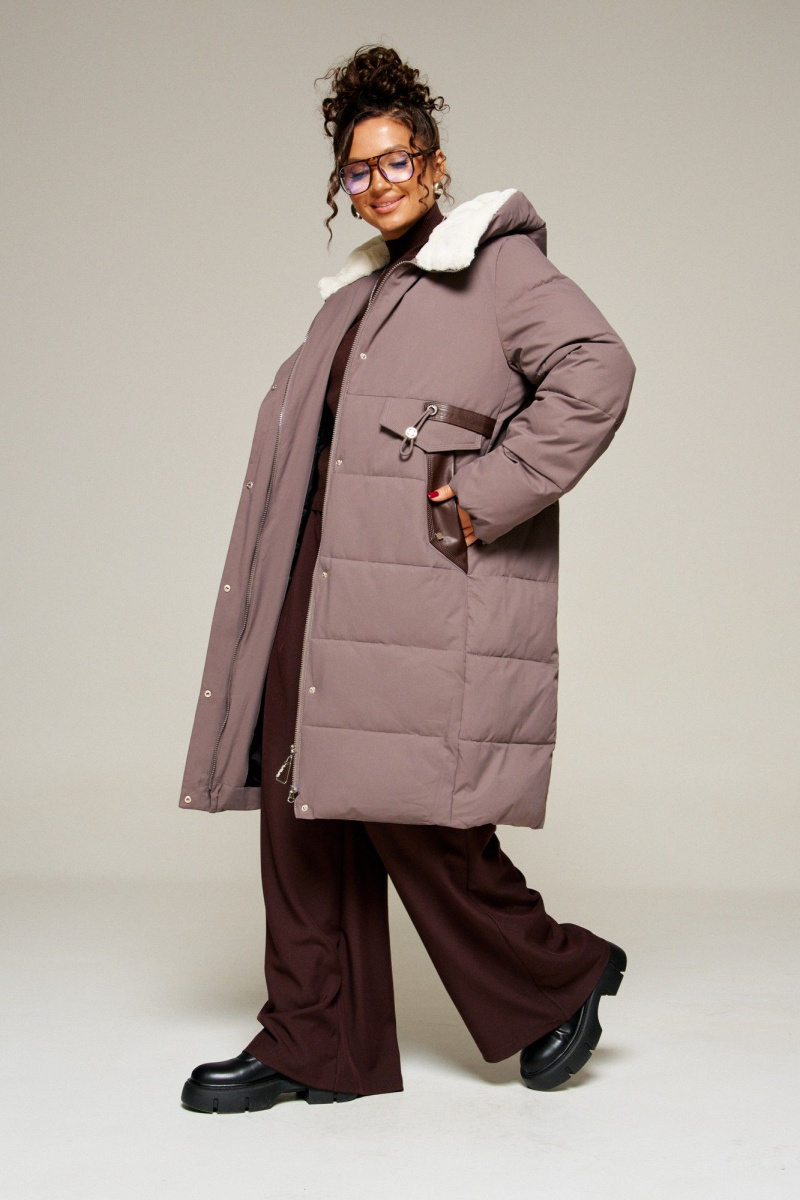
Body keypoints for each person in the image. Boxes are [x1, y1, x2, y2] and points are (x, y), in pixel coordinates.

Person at [178, 44, 636, 1114]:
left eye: (396, 161)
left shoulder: (498, 268)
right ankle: (316, 1041)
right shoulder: (355, 299)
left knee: (413, 813)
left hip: (413, 595)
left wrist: (481, 495)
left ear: (432, 164)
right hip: (315, 586)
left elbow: (597, 372)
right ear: (342, 183)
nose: (379, 183)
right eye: (358, 168)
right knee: (301, 813)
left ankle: (556, 977)